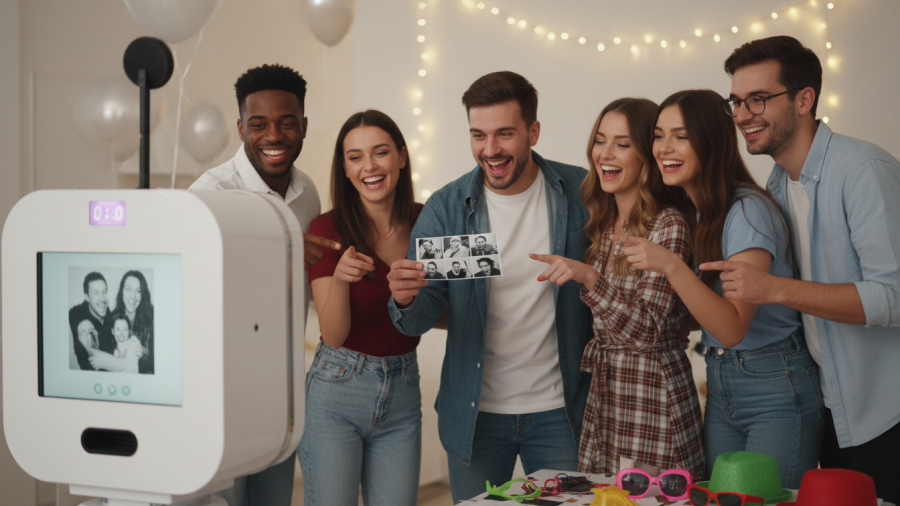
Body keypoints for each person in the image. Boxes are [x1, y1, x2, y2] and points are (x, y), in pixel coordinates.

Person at [702, 36, 900, 503]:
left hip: (884, 409)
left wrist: (776, 289)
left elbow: (893, 297)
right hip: (828, 404)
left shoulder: (862, 170)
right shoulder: (776, 183)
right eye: (736, 101)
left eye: (758, 99)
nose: (742, 115)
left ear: (804, 99)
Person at [386, 71, 593, 503]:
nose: (491, 150)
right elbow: (419, 318)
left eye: (504, 134)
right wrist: (404, 299)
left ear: (533, 131)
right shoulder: (446, 206)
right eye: (478, 135)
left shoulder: (581, 192)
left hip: (562, 411)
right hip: (475, 415)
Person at [614, 89, 823, 488]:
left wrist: (672, 266)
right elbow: (711, 312)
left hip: (773, 386)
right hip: (722, 377)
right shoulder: (695, 211)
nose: (664, 148)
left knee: (758, 499)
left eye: (681, 136)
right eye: (658, 135)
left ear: (711, 139)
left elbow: (732, 326)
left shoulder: (746, 211)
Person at [188, 63, 338, 506]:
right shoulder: (209, 193)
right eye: (259, 124)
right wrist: (281, 249)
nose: (274, 136)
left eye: (287, 122)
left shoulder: (308, 192)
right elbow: (191, 293)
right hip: (222, 395)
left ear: (304, 126)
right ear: (240, 128)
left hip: (282, 392)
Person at [530, 98, 704, 477]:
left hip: (653, 398)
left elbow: (647, 330)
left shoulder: (668, 224)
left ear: (646, 155)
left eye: (623, 144)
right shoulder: (603, 224)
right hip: (608, 397)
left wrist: (590, 278)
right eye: (600, 140)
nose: (605, 154)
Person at [300, 110, 423, 506]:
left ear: (401, 157)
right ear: (345, 168)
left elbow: (446, 317)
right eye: (355, 157)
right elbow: (333, 335)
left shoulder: (428, 223)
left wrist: (414, 302)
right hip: (337, 391)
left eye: (380, 152)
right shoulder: (326, 230)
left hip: (403, 391)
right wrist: (338, 278)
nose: (369, 166)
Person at [68, 272, 115, 371]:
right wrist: (82, 324)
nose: (102, 299)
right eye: (96, 293)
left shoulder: (107, 312)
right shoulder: (78, 317)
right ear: (87, 297)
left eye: (104, 292)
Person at [114, 270, 154, 374]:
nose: (133, 296)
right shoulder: (112, 318)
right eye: (128, 289)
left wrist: (142, 351)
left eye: (138, 291)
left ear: (143, 294)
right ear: (122, 292)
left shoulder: (152, 318)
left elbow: (158, 361)